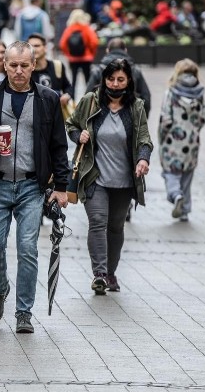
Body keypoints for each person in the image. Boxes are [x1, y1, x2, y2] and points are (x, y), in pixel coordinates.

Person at [0, 41, 70, 334]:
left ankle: (24, 312)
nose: (19, 71)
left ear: (34, 65)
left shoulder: (48, 98)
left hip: (31, 186)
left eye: (25, 65)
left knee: (27, 249)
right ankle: (0, 290)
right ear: (4, 65)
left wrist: (61, 186)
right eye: (13, 65)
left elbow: (59, 145)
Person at [65, 58, 153, 295]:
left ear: (129, 81)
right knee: (98, 222)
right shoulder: (90, 102)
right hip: (94, 176)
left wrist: (143, 159)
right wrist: (78, 136)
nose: (115, 84)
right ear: (104, 80)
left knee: (115, 227)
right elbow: (71, 124)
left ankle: (111, 272)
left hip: (124, 180)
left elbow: (145, 139)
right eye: (111, 79)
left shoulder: (136, 107)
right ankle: (100, 275)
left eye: (120, 79)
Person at [159, 59, 205, 222]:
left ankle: (176, 195)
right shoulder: (200, 93)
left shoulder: (171, 92)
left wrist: (162, 136)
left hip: (173, 139)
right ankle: (185, 210)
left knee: (170, 171)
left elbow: (165, 118)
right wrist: (195, 130)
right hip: (192, 141)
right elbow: (203, 117)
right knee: (187, 174)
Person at [87, 38, 152, 116]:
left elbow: (88, 98)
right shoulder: (135, 70)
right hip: (130, 118)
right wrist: (142, 119)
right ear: (125, 50)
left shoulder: (97, 70)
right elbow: (146, 97)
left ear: (107, 50)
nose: (115, 84)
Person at [28, 34, 74, 110]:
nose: (33, 49)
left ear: (45, 48)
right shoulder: (25, 70)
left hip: (56, 114)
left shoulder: (57, 66)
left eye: (37, 46)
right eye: (30, 46)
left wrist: (67, 95)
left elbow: (68, 86)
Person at [58, 9, 99, 92]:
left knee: (73, 80)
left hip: (73, 59)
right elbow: (94, 42)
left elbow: (62, 44)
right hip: (86, 58)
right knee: (88, 80)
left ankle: (73, 102)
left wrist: (68, 54)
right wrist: (91, 53)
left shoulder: (69, 29)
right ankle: (89, 100)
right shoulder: (86, 28)